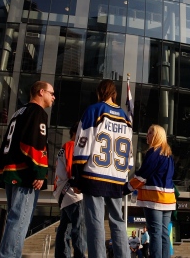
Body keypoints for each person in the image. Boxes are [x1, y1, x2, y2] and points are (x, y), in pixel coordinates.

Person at [0, 81, 54, 258]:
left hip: (11, 170)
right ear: (41, 92)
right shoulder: (37, 112)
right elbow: (35, 143)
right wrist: (40, 172)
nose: (53, 97)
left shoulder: (19, 112)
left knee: (13, 219)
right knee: (20, 220)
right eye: (51, 93)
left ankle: (6, 254)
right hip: (25, 173)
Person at [72, 79, 134, 258]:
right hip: (117, 176)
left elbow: (83, 145)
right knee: (118, 221)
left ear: (99, 92)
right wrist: (124, 174)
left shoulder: (94, 110)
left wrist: (77, 177)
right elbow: (129, 154)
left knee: (96, 222)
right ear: (114, 94)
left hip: (95, 174)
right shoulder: (125, 117)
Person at [124, 124, 176, 258]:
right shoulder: (168, 155)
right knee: (164, 233)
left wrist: (125, 188)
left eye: (150, 133)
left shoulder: (154, 152)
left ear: (157, 135)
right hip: (168, 199)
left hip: (154, 198)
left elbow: (142, 175)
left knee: (155, 233)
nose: (147, 136)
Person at [53, 122, 86, 258]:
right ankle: (79, 255)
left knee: (64, 229)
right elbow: (71, 169)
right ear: (75, 133)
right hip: (72, 192)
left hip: (63, 192)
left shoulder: (64, 147)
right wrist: (78, 183)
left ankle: (62, 255)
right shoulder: (72, 145)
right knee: (79, 228)